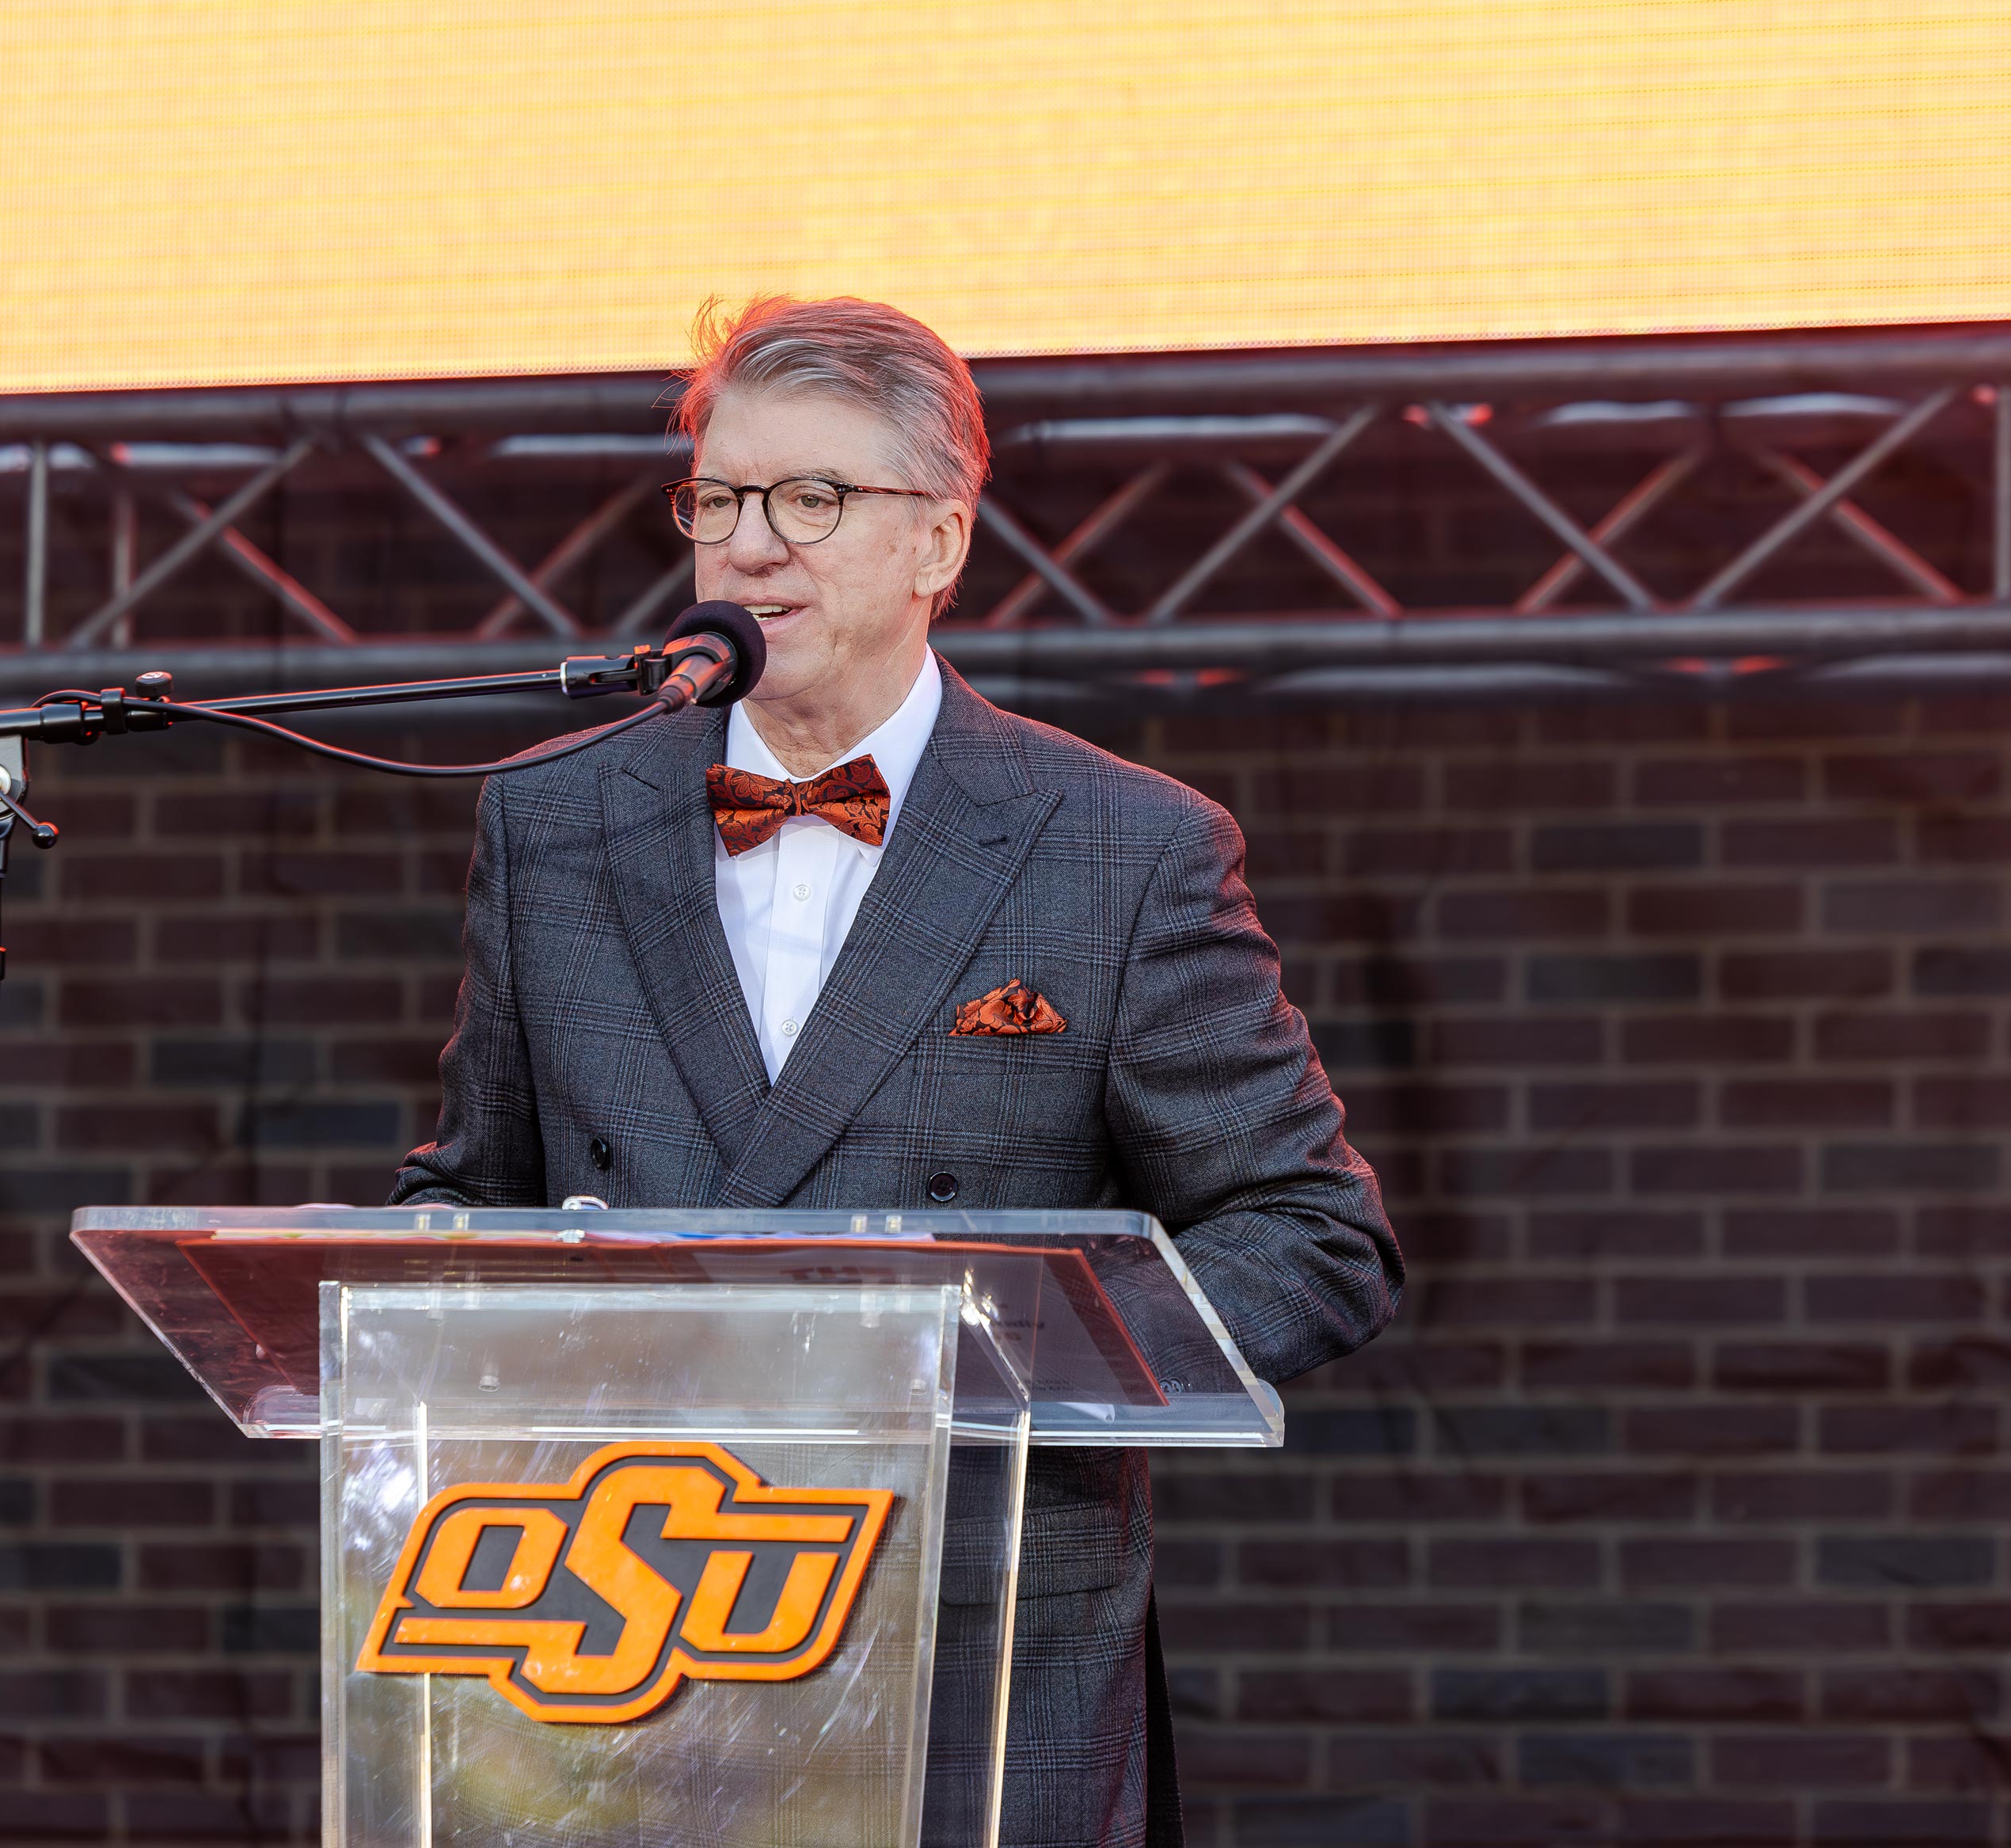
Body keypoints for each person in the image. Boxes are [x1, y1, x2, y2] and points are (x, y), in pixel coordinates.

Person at [393, 295, 1401, 1846]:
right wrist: (416, 1297)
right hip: (618, 1647)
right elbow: (473, 1190)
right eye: (719, 501)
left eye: (812, 501)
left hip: (976, 1667)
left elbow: (1311, 1241)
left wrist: (987, 1367)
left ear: (939, 541)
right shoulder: (555, 823)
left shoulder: (1120, 851)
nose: (747, 547)